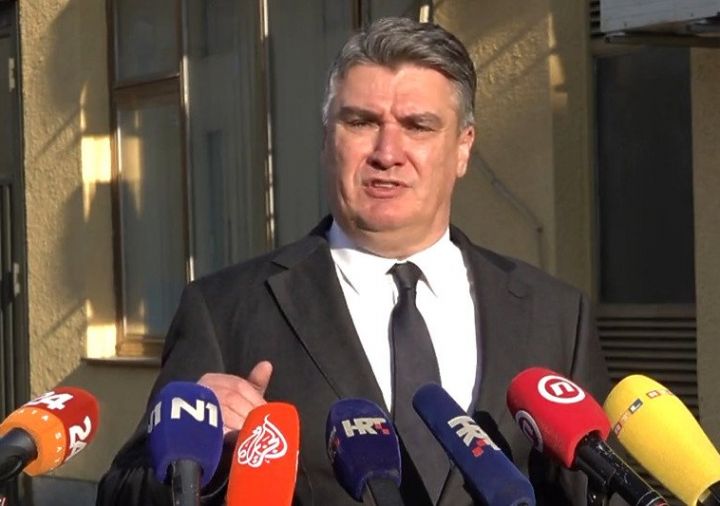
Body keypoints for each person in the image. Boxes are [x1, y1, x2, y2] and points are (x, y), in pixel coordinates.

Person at [97, 17, 612, 505]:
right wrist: (207, 463)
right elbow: (122, 492)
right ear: (328, 139)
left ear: (462, 148)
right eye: (362, 122)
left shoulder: (555, 316)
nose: (387, 152)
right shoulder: (224, 309)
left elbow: (593, 491)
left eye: (418, 126)